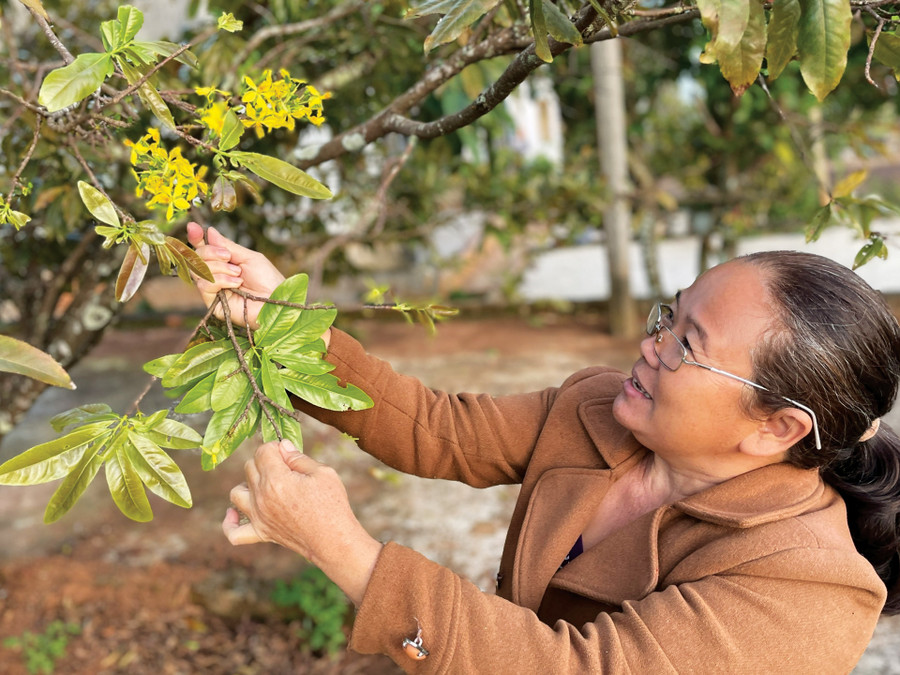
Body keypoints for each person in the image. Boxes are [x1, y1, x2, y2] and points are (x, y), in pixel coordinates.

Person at [186, 222, 900, 673]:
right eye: (668, 316)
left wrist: (344, 551)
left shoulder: (808, 589)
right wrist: (284, 326)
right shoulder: (599, 408)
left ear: (776, 426)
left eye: (686, 344)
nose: (649, 345)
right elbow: (437, 428)